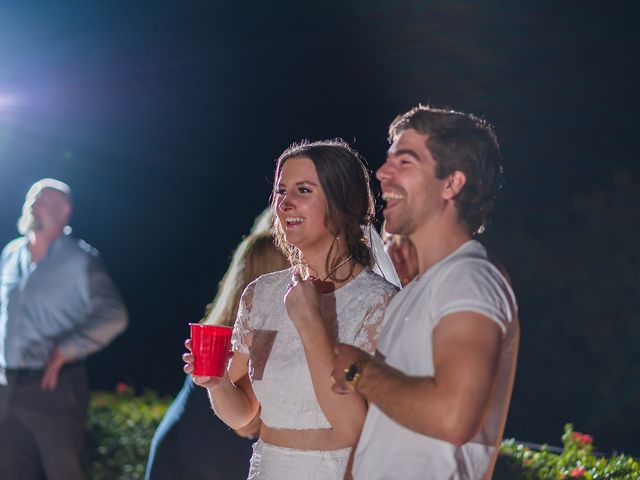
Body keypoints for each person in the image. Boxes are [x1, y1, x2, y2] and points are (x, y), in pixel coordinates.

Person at [183, 139, 399, 479]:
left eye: (303, 190)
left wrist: (311, 321)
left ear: (344, 202)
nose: (285, 203)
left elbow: (362, 425)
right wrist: (216, 382)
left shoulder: (379, 303)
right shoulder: (262, 294)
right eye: (281, 191)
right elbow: (243, 413)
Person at [331, 105, 520, 480]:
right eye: (387, 161)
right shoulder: (415, 290)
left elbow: (453, 416)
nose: (382, 173)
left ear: (452, 183)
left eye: (405, 161)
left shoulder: (470, 275)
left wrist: (358, 369)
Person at [145, 208, 289, 480]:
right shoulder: (246, 339)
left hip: (181, 443)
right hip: (208, 457)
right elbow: (244, 424)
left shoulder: (223, 326)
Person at [0, 178, 128, 480]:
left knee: (62, 473)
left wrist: (66, 350)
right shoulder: (10, 253)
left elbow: (115, 314)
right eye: (32, 198)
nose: (33, 204)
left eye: (43, 200)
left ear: (64, 211)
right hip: (7, 388)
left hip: (53, 388)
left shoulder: (80, 259)